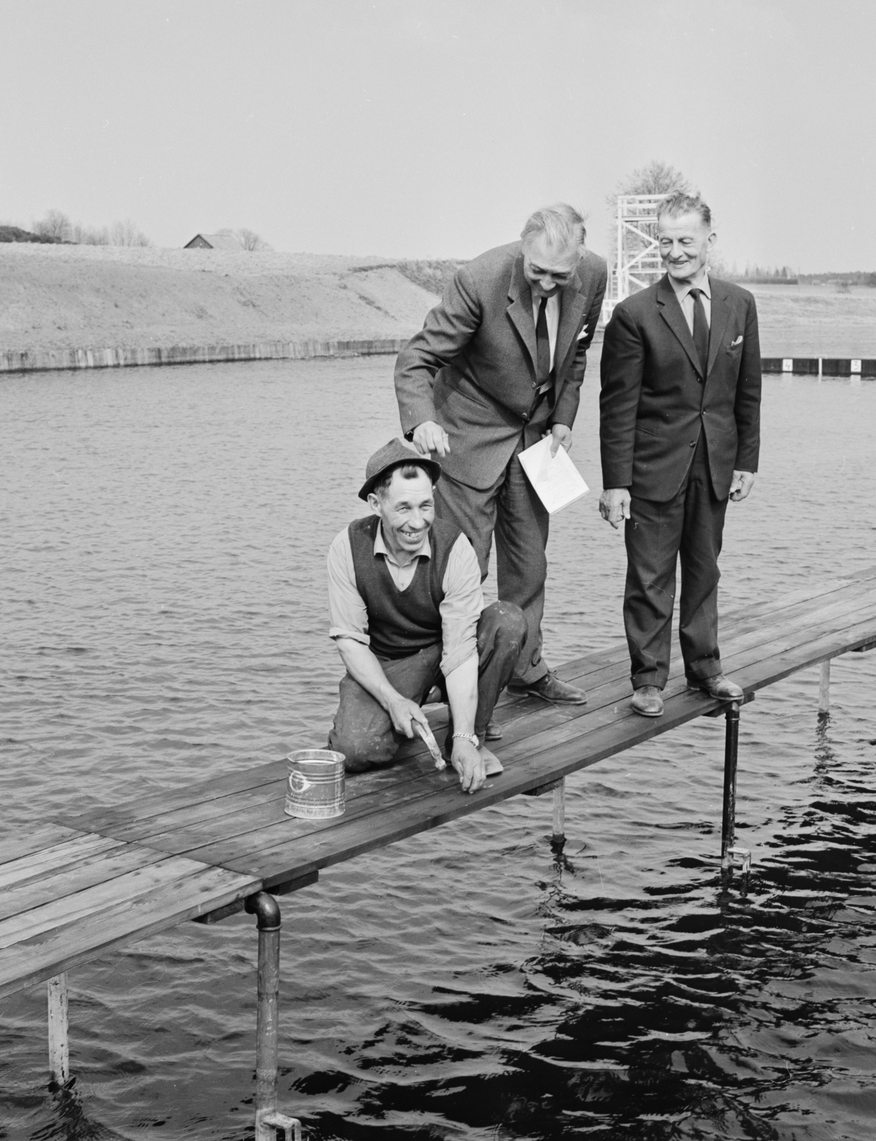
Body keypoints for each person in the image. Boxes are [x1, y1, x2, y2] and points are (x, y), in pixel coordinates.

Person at [394, 204, 608, 707]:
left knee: (530, 564)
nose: (549, 285)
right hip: (468, 433)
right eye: (538, 272)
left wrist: (563, 417)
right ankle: (446, 679)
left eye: (561, 275)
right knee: (467, 568)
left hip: (536, 439)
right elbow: (416, 360)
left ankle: (525, 670)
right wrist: (422, 420)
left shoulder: (594, 274)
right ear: (522, 248)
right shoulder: (480, 279)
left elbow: (575, 354)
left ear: (579, 258)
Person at [598, 193, 761, 717]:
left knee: (704, 569)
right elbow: (617, 407)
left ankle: (706, 669)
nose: (674, 252)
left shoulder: (740, 304)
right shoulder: (634, 315)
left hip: (715, 464)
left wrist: (747, 461)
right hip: (652, 469)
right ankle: (648, 679)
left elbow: (748, 392)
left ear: (709, 241)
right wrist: (616, 482)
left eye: (685, 241)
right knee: (649, 576)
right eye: (665, 242)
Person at [326, 439, 527, 793]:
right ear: (376, 504)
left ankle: (469, 736)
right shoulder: (347, 546)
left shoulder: (455, 548)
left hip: (444, 650)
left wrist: (464, 736)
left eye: (426, 505)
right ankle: (413, 703)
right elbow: (350, 641)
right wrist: (393, 701)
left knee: (506, 621)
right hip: (390, 661)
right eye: (403, 508)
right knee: (355, 750)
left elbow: (461, 650)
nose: (417, 522)